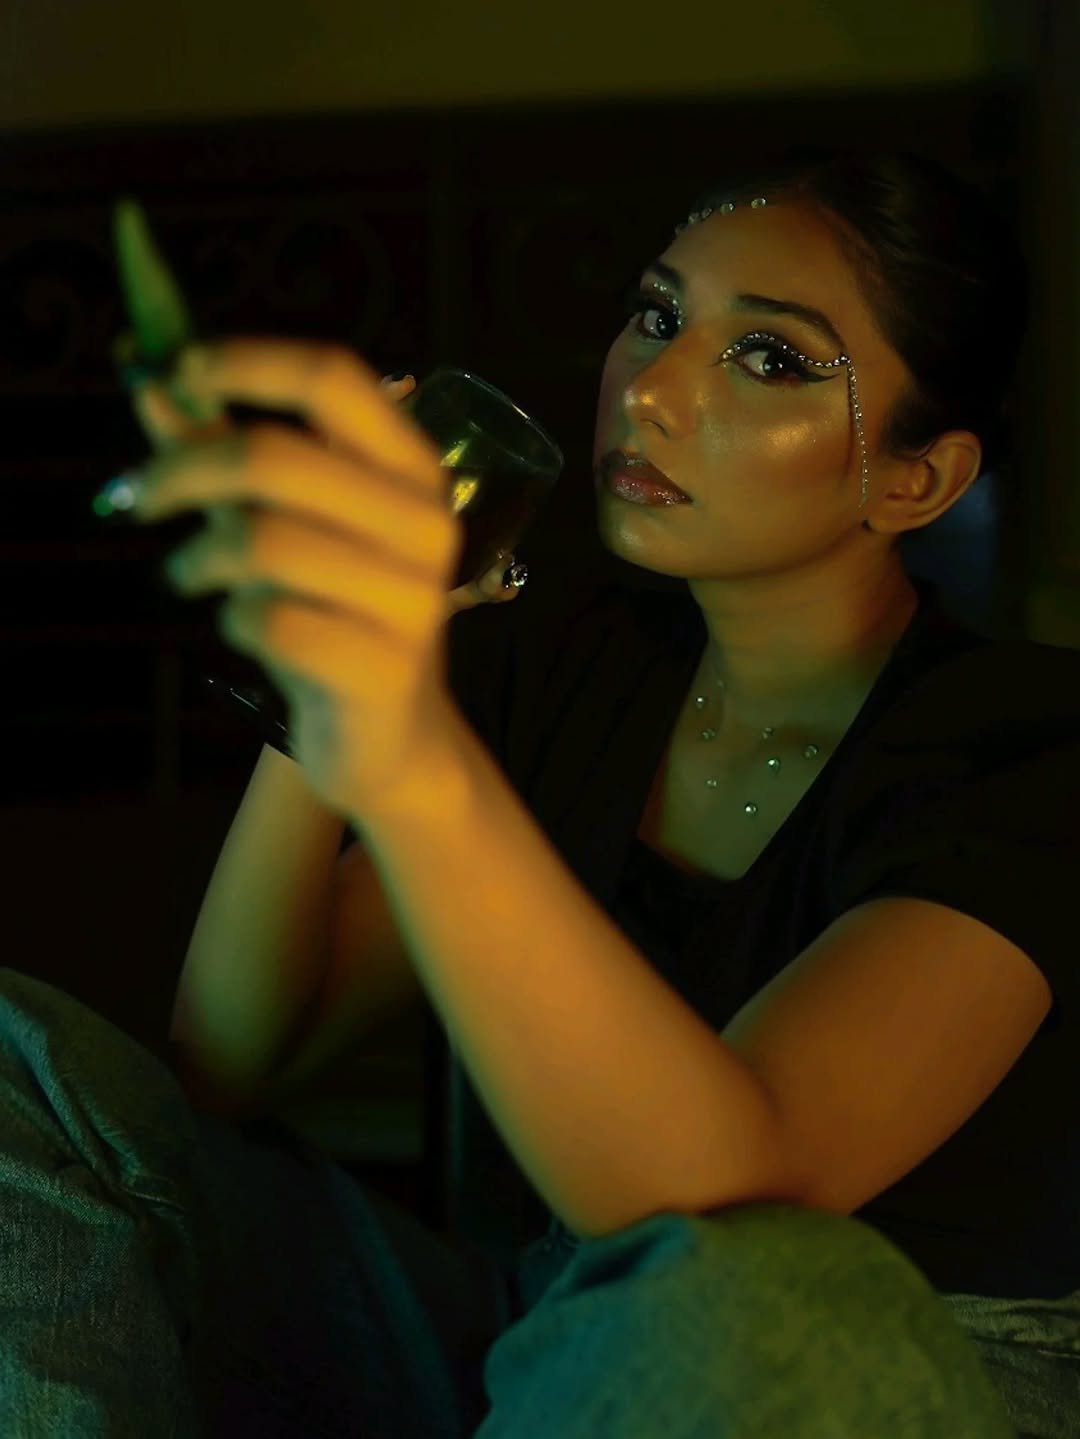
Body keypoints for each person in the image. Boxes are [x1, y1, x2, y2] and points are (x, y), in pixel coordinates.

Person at [2, 143, 1076, 1438]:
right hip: (529, 1335)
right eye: (658, 316)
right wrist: (330, 674)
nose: (654, 388)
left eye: (770, 358)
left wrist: (415, 757)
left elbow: (726, 1203)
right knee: (24, 1066)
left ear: (918, 479)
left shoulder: (1024, 744)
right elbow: (235, 1058)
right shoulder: (579, 671)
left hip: (871, 1371)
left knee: (749, 1294)